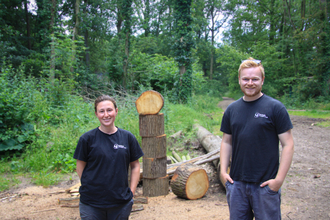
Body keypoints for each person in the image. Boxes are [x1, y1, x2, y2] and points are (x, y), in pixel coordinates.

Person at [220, 58, 294, 220]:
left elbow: (288, 144)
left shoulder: (275, 108)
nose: (250, 83)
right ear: (239, 80)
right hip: (236, 184)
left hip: (265, 186)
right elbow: (226, 141)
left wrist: (279, 180)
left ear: (263, 80)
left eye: (255, 79)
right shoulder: (232, 110)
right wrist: (223, 171)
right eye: (246, 79)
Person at [73, 95, 144, 220]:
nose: (106, 115)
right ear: (96, 114)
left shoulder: (127, 138)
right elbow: (80, 169)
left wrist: (131, 193)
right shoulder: (87, 139)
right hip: (91, 204)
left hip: (120, 203)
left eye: (109, 110)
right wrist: (92, 189)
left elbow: (135, 166)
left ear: (116, 111)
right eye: (101, 111)